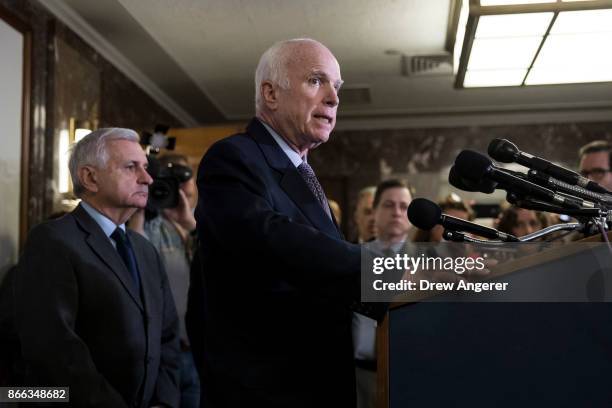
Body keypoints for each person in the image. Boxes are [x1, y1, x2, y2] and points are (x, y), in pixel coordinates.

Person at [190, 38, 385, 408]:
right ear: (271, 94)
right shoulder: (233, 158)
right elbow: (272, 238)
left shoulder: (302, 173)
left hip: (315, 385)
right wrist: (385, 271)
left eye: (336, 88)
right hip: (267, 390)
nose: (333, 98)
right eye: (316, 81)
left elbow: (323, 274)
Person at [14, 128, 180, 407]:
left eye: (146, 168)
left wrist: (163, 402)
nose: (148, 178)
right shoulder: (53, 241)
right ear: (90, 177)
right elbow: (55, 351)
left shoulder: (145, 250)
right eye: (131, 167)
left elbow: (167, 336)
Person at [130, 153, 200, 408]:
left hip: (199, 351)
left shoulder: (204, 224)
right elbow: (136, 265)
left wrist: (190, 224)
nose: (178, 187)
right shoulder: (147, 225)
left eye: (184, 178)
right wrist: (141, 209)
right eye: (169, 180)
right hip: (161, 354)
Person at [352, 179, 412, 408]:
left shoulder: (430, 262)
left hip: (407, 373)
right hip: (357, 374)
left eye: (404, 207)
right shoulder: (352, 256)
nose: (396, 212)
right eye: (388, 205)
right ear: (374, 211)